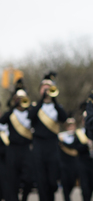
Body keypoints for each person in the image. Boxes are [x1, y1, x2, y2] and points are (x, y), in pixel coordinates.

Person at [29, 72, 68, 201]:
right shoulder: (35, 106)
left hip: (52, 146)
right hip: (39, 146)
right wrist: (42, 100)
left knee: (52, 180)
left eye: (49, 88)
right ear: (40, 90)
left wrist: (54, 99)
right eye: (43, 88)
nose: (46, 90)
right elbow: (31, 117)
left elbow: (64, 118)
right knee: (41, 180)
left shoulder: (57, 107)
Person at [0, 89, 34, 201]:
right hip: (13, 150)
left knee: (29, 178)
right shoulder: (11, 114)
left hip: (26, 149)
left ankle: (24, 198)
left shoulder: (30, 113)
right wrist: (13, 106)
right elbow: (2, 121)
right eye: (18, 99)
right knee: (12, 180)